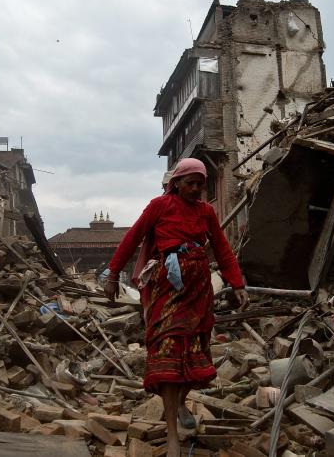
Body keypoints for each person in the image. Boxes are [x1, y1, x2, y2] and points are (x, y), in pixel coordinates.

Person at [106, 158, 248, 457]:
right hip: (166, 291)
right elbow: (131, 240)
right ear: (177, 183)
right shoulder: (159, 206)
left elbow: (222, 249)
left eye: (200, 184)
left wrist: (237, 284)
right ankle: (172, 437)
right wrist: (113, 274)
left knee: (196, 352)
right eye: (190, 183)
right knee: (166, 353)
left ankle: (183, 400)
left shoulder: (206, 211)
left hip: (198, 293)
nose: (196, 189)